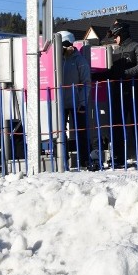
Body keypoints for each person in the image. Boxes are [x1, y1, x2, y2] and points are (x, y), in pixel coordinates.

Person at [105, 19, 138, 166]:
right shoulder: (116, 51)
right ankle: (118, 157)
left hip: (136, 92)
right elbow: (113, 72)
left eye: (116, 37)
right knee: (117, 125)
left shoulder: (137, 47)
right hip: (119, 93)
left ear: (122, 34)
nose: (114, 40)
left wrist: (125, 73)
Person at [57, 31, 92, 170]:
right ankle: (62, 160)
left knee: (81, 131)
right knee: (60, 132)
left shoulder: (79, 60)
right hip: (60, 103)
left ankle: (84, 160)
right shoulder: (57, 59)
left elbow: (86, 83)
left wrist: (82, 103)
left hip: (76, 102)